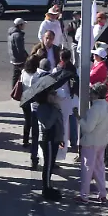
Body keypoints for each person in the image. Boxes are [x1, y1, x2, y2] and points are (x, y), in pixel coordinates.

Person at [78, 83, 108, 204]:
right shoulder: (107, 106)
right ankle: (102, 194)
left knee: (87, 169)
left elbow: (88, 128)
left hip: (91, 142)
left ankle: (84, 196)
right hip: (102, 141)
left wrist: (79, 119)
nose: (90, 95)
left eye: (92, 92)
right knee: (99, 168)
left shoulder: (95, 108)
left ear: (96, 94)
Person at [34, 70, 65, 200]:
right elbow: (47, 125)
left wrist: (61, 137)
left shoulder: (52, 105)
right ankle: (46, 188)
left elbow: (60, 122)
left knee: (51, 164)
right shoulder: (41, 108)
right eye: (51, 93)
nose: (54, 94)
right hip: (47, 140)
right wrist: (54, 109)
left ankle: (48, 185)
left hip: (55, 138)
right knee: (48, 164)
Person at [20, 56, 42, 165]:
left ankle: (25, 140)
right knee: (33, 123)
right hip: (32, 101)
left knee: (26, 120)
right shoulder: (35, 76)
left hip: (24, 99)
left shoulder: (23, 72)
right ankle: (30, 140)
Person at [9, 18, 28, 85]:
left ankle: (14, 89)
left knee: (16, 75)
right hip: (19, 59)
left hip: (13, 58)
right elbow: (20, 49)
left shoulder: (12, 33)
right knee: (23, 74)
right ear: (20, 25)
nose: (24, 26)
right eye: (23, 24)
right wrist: (26, 57)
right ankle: (16, 89)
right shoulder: (18, 35)